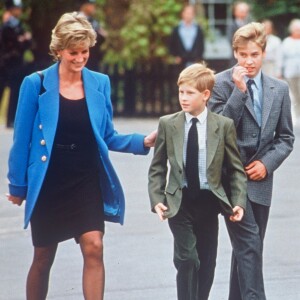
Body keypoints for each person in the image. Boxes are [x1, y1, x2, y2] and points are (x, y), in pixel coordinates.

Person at [6, 12, 156, 300]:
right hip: (49, 179)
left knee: (94, 245)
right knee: (43, 256)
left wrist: (142, 141)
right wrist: (18, 185)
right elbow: (21, 139)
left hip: (85, 176)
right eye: (73, 52)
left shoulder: (100, 83)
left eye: (84, 51)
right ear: (58, 50)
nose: (79, 58)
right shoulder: (34, 84)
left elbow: (107, 135)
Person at [208, 22, 294, 300]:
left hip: (260, 179)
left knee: (249, 248)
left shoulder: (278, 89)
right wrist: (239, 90)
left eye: (254, 55)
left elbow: (286, 138)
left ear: (264, 53)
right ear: (235, 53)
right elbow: (219, 130)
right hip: (229, 179)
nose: (248, 61)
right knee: (249, 245)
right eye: (243, 54)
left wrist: (267, 164)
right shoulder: (219, 84)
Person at [148, 63, 247, 300]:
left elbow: (235, 170)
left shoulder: (223, 126)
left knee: (207, 263)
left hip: (209, 203)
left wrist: (239, 201)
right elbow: (157, 168)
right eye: (181, 91)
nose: (183, 98)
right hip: (179, 202)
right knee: (187, 259)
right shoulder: (168, 124)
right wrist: (157, 199)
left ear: (206, 95)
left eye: (190, 93)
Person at [1, 0, 32, 128]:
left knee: (15, 91)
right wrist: (22, 39)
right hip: (5, 62)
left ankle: (11, 120)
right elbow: (12, 41)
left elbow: (27, 43)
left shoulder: (17, 24)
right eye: (16, 8)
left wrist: (23, 40)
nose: (19, 11)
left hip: (15, 63)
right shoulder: (8, 25)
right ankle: (10, 120)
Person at [169, 4, 205, 69]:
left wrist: (198, 58)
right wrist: (176, 56)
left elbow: (201, 45)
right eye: (187, 13)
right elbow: (171, 44)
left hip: (194, 62)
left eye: (190, 13)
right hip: (180, 63)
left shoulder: (198, 29)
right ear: (183, 14)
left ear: (193, 15)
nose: (188, 15)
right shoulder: (176, 29)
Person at [79, 0, 107, 71]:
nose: (94, 7)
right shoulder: (77, 19)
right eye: (91, 5)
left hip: (94, 57)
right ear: (84, 5)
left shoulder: (94, 21)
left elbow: (104, 34)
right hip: (81, 56)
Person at [281, 19, 300, 119]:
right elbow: (281, 57)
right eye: (296, 29)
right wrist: (280, 71)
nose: (298, 31)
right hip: (290, 72)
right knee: (294, 94)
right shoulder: (286, 42)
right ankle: (297, 115)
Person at [228, 2, 251, 67]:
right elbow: (231, 40)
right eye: (242, 11)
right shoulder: (232, 25)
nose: (244, 13)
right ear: (235, 12)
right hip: (236, 58)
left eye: (246, 11)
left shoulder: (250, 24)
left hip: (249, 57)